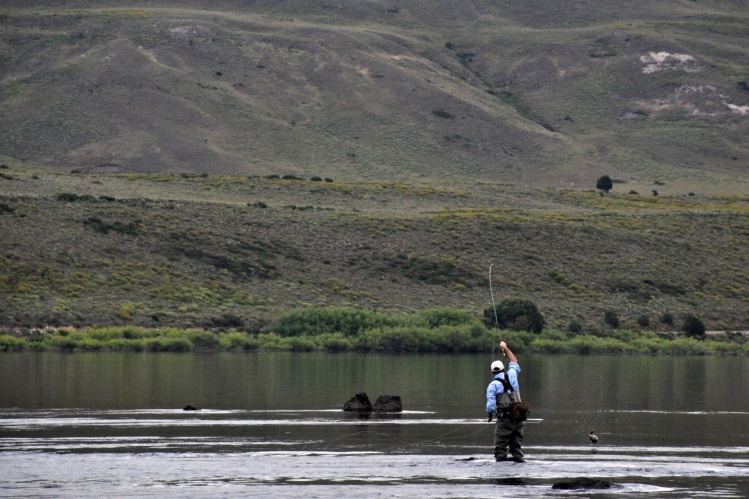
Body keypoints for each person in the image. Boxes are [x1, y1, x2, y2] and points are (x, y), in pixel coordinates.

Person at [485, 341, 524, 462]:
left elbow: (490, 407)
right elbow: (514, 361)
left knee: (500, 448)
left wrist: (490, 416)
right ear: (503, 369)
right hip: (518, 418)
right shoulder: (512, 375)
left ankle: (501, 473)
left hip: (505, 419)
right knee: (516, 447)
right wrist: (505, 348)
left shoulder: (492, 385)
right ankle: (518, 464)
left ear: (492, 372)